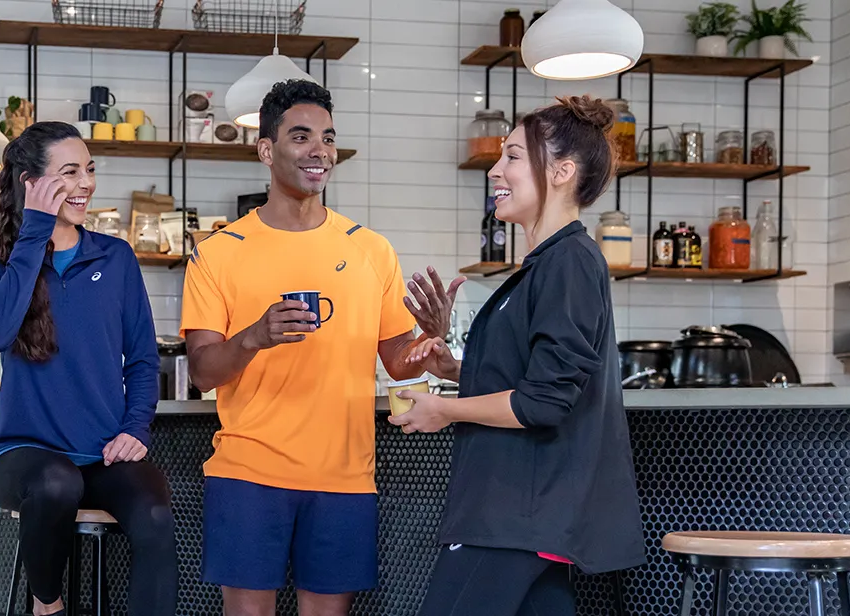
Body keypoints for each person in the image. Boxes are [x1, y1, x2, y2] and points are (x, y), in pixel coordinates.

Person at [180, 80, 460, 616]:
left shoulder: (371, 250)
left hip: (344, 475)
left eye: (328, 138)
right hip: (247, 473)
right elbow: (203, 372)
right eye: (301, 136)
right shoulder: (217, 253)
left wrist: (431, 341)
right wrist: (255, 337)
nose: (320, 151)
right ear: (266, 149)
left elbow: (399, 361)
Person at [392, 96, 646, 616]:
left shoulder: (569, 262)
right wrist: (458, 372)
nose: (494, 170)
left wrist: (446, 408)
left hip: (515, 517)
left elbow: (545, 402)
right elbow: (536, 378)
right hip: (526, 516)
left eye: (511, 156)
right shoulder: (545, 264)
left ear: (561, 171)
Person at [0, 122, 178, 616]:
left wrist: (136, 429)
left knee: (154, 514)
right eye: (70, 172)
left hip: (102, 451)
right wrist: (36, 231)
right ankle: (49, 605)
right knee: (56, 482)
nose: (86, 183)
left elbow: (144, 358)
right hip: (22, 452)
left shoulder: (116, 257)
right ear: (30, 183)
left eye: (89, 170)